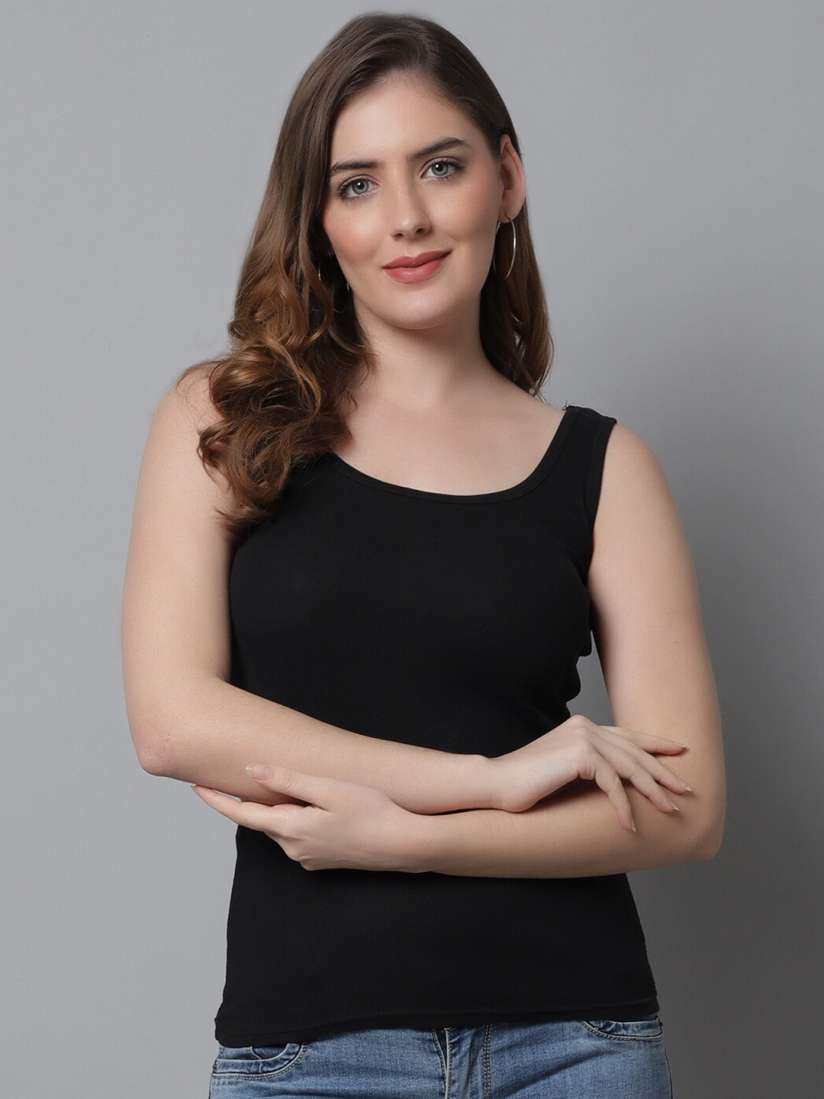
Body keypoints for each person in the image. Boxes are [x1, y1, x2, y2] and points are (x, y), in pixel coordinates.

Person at [121, 12, 725, 1097]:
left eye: (439, 167)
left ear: (506, 178)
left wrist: (407, 838)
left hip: (577, 1043)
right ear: (319, 219)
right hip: (309, 1053)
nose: (404, 216)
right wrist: (482, 781)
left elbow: (687, 809)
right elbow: (174, 720)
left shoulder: (603, 466)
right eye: (356, 184)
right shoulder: (225, 421)